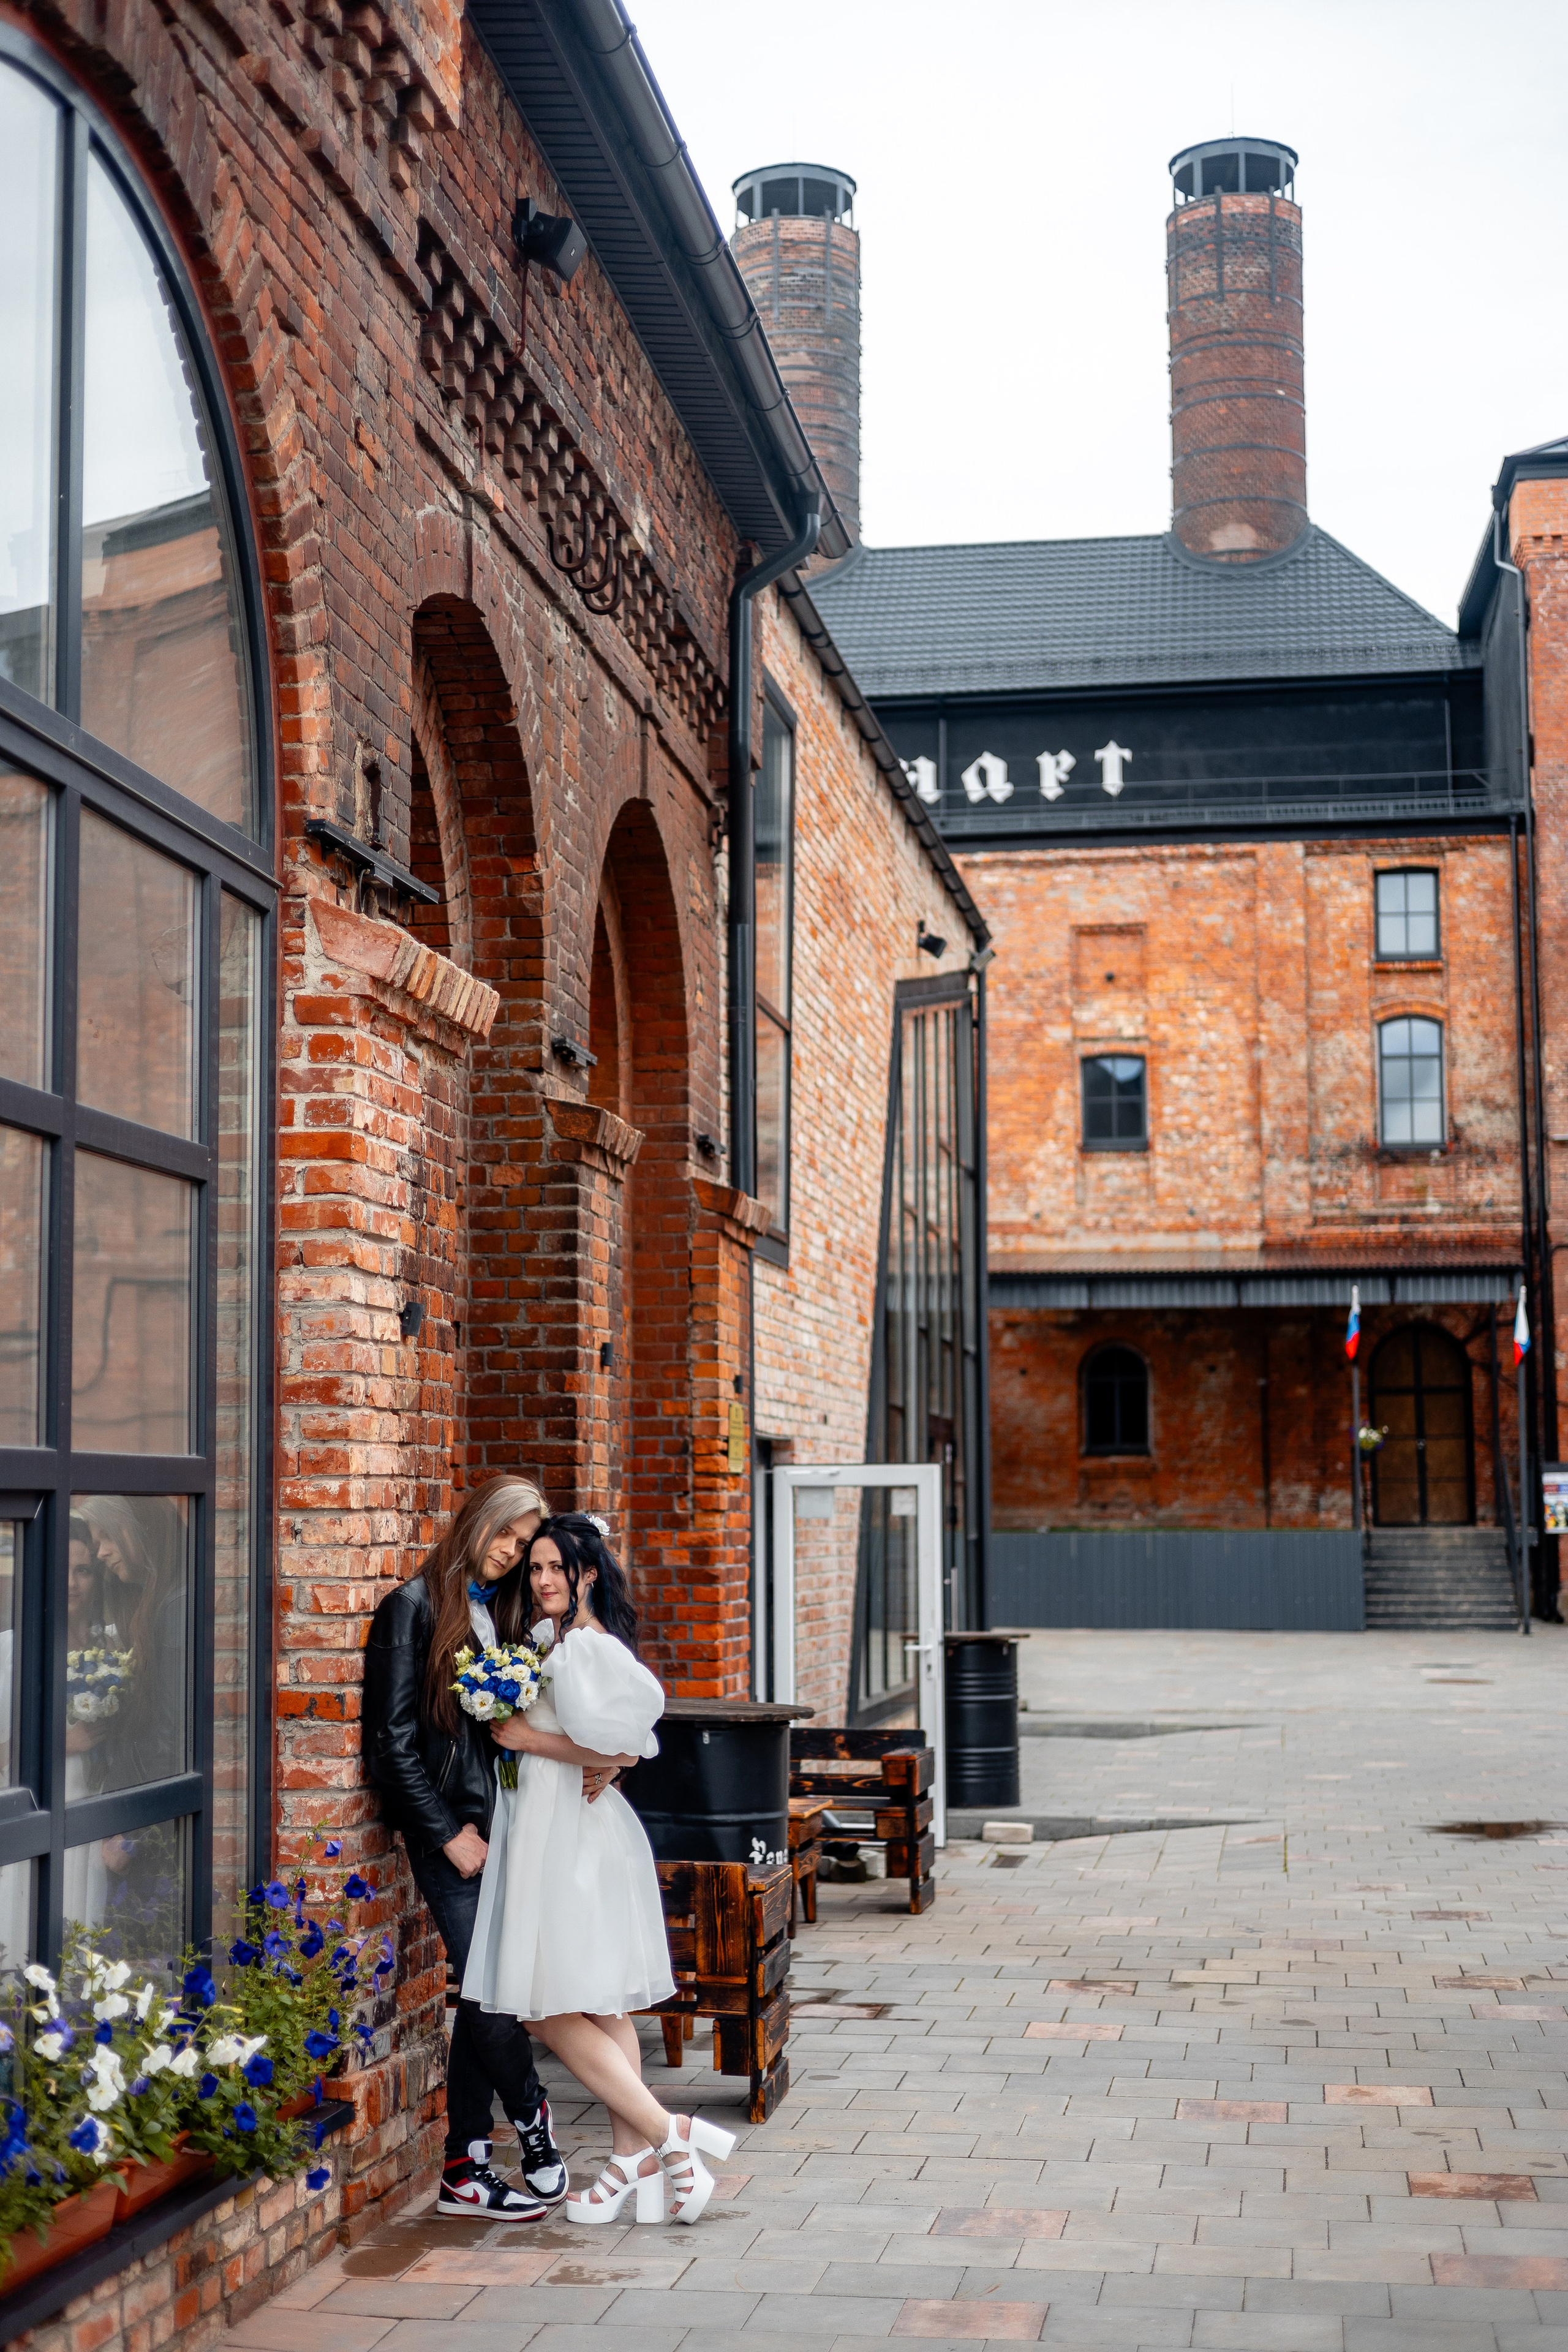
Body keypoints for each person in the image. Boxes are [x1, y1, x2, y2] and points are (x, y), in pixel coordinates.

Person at [469, 1512, 736, 2226]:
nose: (545, 1579)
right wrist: (606, 1758)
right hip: (558, 1828)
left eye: (558, 1568)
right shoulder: (554, 1641)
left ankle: (665, 2134)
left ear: (588, 1574)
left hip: (572, 1841)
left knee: (546, 2006)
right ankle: (634, 2163)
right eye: (537, 1569)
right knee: (601, 2004)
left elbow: (637, 1721)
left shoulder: (584, 1646)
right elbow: (619, 1738)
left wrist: (549, 1743)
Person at [362, 1476, 568, 2220]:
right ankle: (533, 2118)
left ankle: (465, 2167)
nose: (509, 1556)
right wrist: (446, 1835)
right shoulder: (411, 1610)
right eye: (504, 1539)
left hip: (506, 1824)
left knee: (489, 1987)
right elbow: (390, 1745)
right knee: (489, 1987)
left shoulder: (501, 1610)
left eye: (521, 1547)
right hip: (452, 1834)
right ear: (474, 1524)